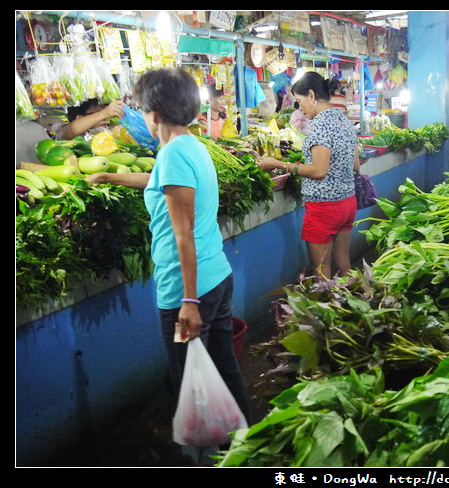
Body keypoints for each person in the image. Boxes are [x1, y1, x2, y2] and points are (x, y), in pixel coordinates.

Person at [84, 67, 250, 465]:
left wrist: (188, 301)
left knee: (189, 380)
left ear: (154, 114)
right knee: (224, 365)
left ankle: (203, 457)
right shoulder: (189, 147)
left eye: (141, 110)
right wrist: (112, 175)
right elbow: (161, 180)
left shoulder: (174, 153)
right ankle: (245, 442)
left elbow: (183, 236)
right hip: (217, 277)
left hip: (187, 289)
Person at [255, 71, 360, 281]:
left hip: (325, 208)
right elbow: (355, 165)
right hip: (347, 203)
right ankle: (353, 306)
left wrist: (278, 163)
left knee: (322, 273)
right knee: (345, 265)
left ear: (311, 95)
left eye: (300, 101)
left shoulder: (320, 124)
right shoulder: (343, 119)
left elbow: (319, 171)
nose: (300, 108)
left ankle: (330, 310)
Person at [57, 98, 126, 140]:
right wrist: (104, 113)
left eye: (103, 109)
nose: (104, 118)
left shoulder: (109, 130)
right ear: (79, 117)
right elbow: (70, 130)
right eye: (95, 114)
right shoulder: (68, 133)